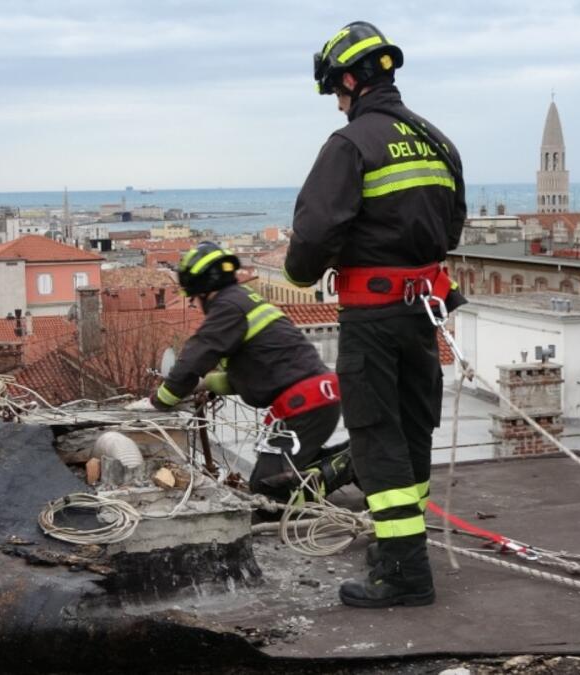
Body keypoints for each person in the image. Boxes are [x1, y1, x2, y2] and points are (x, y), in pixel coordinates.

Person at [284, 21, 467, 608]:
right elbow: (452, 227)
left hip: (374, 317)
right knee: (413, 434)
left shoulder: (351, 144)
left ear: (348, 81)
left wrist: (298, 275)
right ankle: (398, 552)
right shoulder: (437, 141)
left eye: (335, 93)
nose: (337, 105)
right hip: (423, 317)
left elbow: (312, 238)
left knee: (375, 439)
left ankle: (406, 575)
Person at [148, 241, 352, 501]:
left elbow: (193, 358)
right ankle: (346, 456)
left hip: (305, 406)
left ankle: (350, 464)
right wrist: (207, 385)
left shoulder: (227, 307)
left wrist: (160, 400)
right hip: (314, 402)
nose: (197, 304)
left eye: (195, 298)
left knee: (269, 491)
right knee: (277, 475)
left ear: (203, 289)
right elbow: (257, 372)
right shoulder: (244, 300)